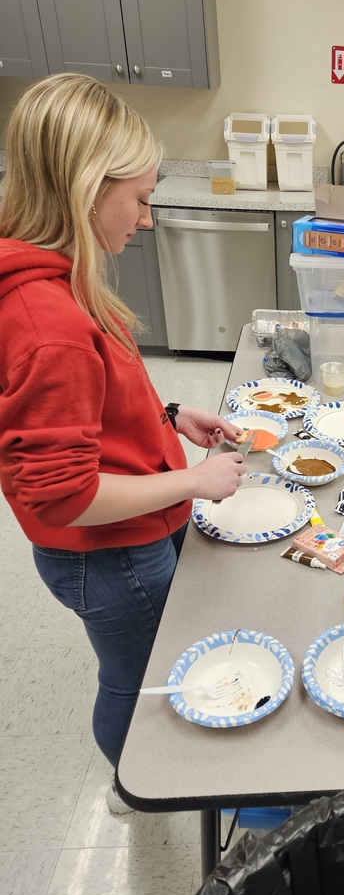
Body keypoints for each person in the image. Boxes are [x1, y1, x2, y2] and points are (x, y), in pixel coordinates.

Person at [0, 73, 246, 809]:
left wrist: (169, 415)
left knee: (161, 648)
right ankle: (133, 784)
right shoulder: (50, 326)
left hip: (133, 529)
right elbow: (64, 492)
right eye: (139, 199)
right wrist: (193, 483)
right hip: (109, 551)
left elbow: (84, 411)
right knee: (137, 676)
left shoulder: (56, 281)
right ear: (83, 189)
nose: (145, 219)